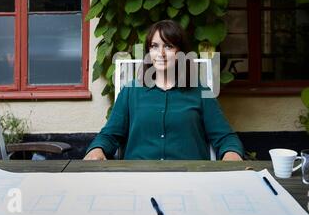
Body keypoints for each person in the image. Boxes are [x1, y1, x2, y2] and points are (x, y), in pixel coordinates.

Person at [84, 20, 244, 161]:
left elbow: (225, 137)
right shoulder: (131, 92)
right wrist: (97, 149)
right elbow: (110, 135)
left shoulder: (201, 92)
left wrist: (231, 154)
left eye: (168, 46)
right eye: (154, 46)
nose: (160, 54)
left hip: (190, 178)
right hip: (138, 176)